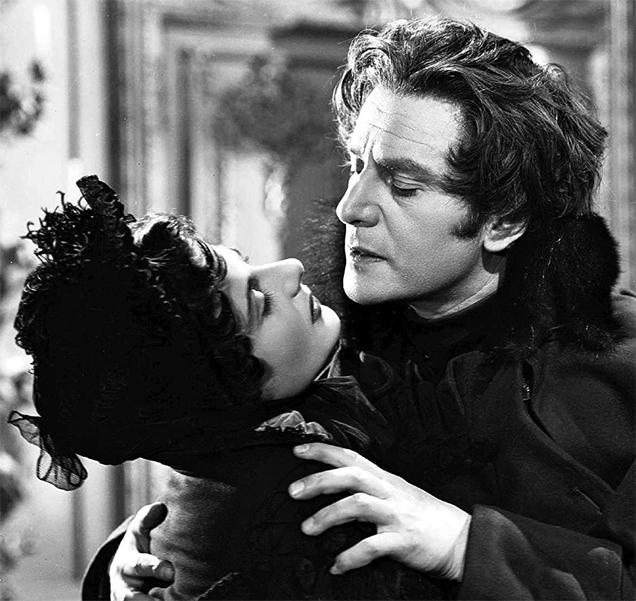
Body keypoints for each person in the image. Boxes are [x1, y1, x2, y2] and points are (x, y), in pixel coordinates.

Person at [107, 16, 635, 600]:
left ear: (504, 220)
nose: (350, 207)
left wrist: (464, 546)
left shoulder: (621, 367)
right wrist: (135, 561)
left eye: (403, 186)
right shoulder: (306, 346)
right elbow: (222, 487)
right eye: (357, 165)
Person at [9, 175, 446, 600]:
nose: (291, 269)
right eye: (261, 304)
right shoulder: (303, 505)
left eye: (247, 261)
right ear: (218, 393)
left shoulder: (247, 451)